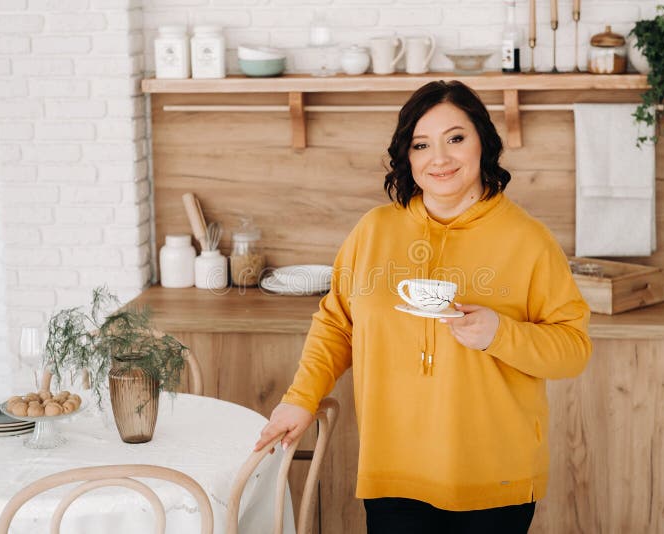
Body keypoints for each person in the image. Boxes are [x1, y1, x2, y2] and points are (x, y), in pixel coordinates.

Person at [254, 80, 593, 533]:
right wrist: (300, 400)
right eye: (421, 144)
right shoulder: (373, 231)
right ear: (407, 156)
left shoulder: (528, 241)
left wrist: (500, 333)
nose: (440, 158)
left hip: (493, 479)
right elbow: (337, 325)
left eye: (456, 138)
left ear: (483, 143)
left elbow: (573, 347)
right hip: (393, 474)